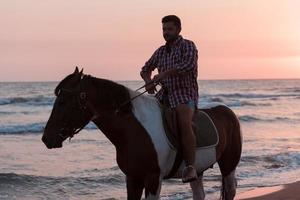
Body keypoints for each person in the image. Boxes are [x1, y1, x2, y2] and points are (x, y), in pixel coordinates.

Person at [140, 15, 199, 183]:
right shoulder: (160, 51)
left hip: (185, 93)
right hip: (164, 94)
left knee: (183, 121)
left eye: (169, 29)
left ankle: (190, 167)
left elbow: (188, 66)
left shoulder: (188, 45)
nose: (166, 32)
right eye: (164, 29)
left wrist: (164, 73)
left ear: (178, 29)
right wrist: (148, 82)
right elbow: (145, 69)